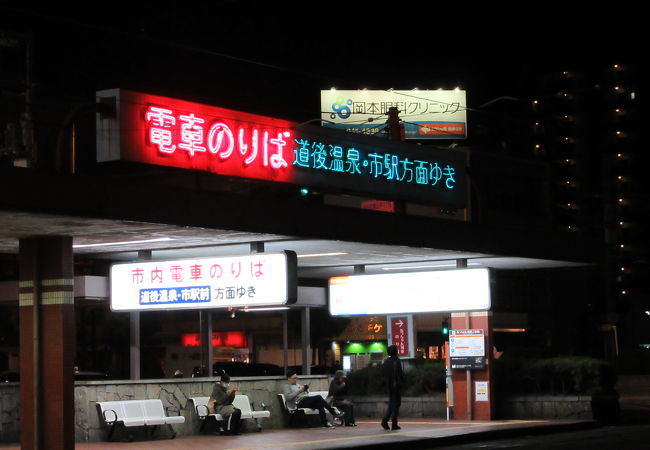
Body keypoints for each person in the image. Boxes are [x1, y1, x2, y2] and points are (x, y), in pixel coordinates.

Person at [381, 344, 404, 430]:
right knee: (396, 405)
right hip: (396, 386)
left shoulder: (386, 361)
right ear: (396, 351)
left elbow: (383, 374)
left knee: (392, 403)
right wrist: (401, 382)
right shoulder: (396, 361)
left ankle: (387, 422)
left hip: (389, 386)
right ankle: (391, 423)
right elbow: (399, 374)